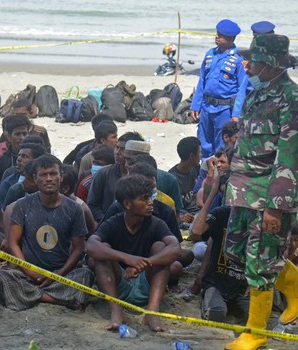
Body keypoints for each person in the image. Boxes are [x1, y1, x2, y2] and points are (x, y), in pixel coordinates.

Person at [223, 34, 298, 350]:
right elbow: (250, 141)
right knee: (235, 251)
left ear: (272, 63)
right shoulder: (256, 95)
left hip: (268, 197)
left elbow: (289, 155)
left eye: (255, 60)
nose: (248, 65)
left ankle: (256, 332)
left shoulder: (292, 98)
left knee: (260, 262)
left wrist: (276, 206)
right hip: (242, 192)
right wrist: (227, 161)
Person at [0, 155, 94, 311]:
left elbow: (79, 248)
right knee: (1, 277)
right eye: (43, 175)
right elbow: (13, 242)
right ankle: (54, 299)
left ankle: (32, 296)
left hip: (61, 273)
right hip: (28, 272)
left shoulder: (74, 209)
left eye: (53, 174)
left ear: (61, 177)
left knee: (85, 275)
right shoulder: (23, 205)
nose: (49, 179)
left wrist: (58, 274)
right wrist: (29, 271)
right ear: (35, 178)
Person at [86, 174, 181, 332]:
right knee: (102, 251)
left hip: (146, 283)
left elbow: (175, 248)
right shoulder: (114, 222)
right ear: (127, 204)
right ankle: (116, 311)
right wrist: (127, 258)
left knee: (160, 247)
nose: (151, 203)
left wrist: (143, 264)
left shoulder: (156, 223)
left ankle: (152, 312)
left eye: (150, 197)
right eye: (144, 199)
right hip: (118, 284)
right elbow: (90, 246)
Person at [185, 172, 249, 324]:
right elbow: (196, 232)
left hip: (243, 286)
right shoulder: (222, 214)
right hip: (217, 283)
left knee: (255, 316)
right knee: (216, 313)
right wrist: (212, 194)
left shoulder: (256, 219)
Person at [190, 19, 248, 160]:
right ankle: (204, 172)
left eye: (220, 35)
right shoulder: (210, 54)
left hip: (224, 108)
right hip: (206, 106)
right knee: (204, 142)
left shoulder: (238, 59)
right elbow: (202, 80)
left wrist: (236, 113)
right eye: (217, 34)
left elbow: (242, 88)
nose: (216, 37)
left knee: (221, 144)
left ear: (230, 39)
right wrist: (195, 104)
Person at [87, 131, 144, 222]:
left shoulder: (145, 178)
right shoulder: (103, 174)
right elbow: (92, 204)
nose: (117, 152)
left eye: (123, 149)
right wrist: (107, 223)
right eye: (116, 147)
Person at [0, 115, 31, 214]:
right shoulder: (0, 162)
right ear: (9, 137)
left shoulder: (37, 159)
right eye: (17, 134)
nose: (22, 138)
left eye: (25, 134)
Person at [168, 136, 201, 227]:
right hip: (185, 214)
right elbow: (172, 206)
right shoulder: (173, 178)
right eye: (199, 152)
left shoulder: (196, 168)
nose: (201, 155)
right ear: (191, 156)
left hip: (197, 211)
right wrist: (181, 216)